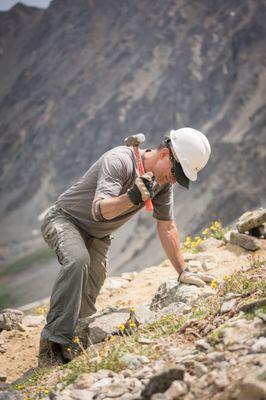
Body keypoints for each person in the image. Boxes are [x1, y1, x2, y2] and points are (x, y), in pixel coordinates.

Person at [38, 127, 212, 366]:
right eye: (175, 172)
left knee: (89, 294)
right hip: (65, 219)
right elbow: (99, 210)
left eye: (179, 178)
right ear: (164, 154)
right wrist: (131, 197)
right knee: (77, 261)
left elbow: (167, 226)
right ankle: (50, 344)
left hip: (99, 235)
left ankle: (72, 343)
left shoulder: (162, 184)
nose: (173, 179)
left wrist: (184, 271)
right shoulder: (119, 160)